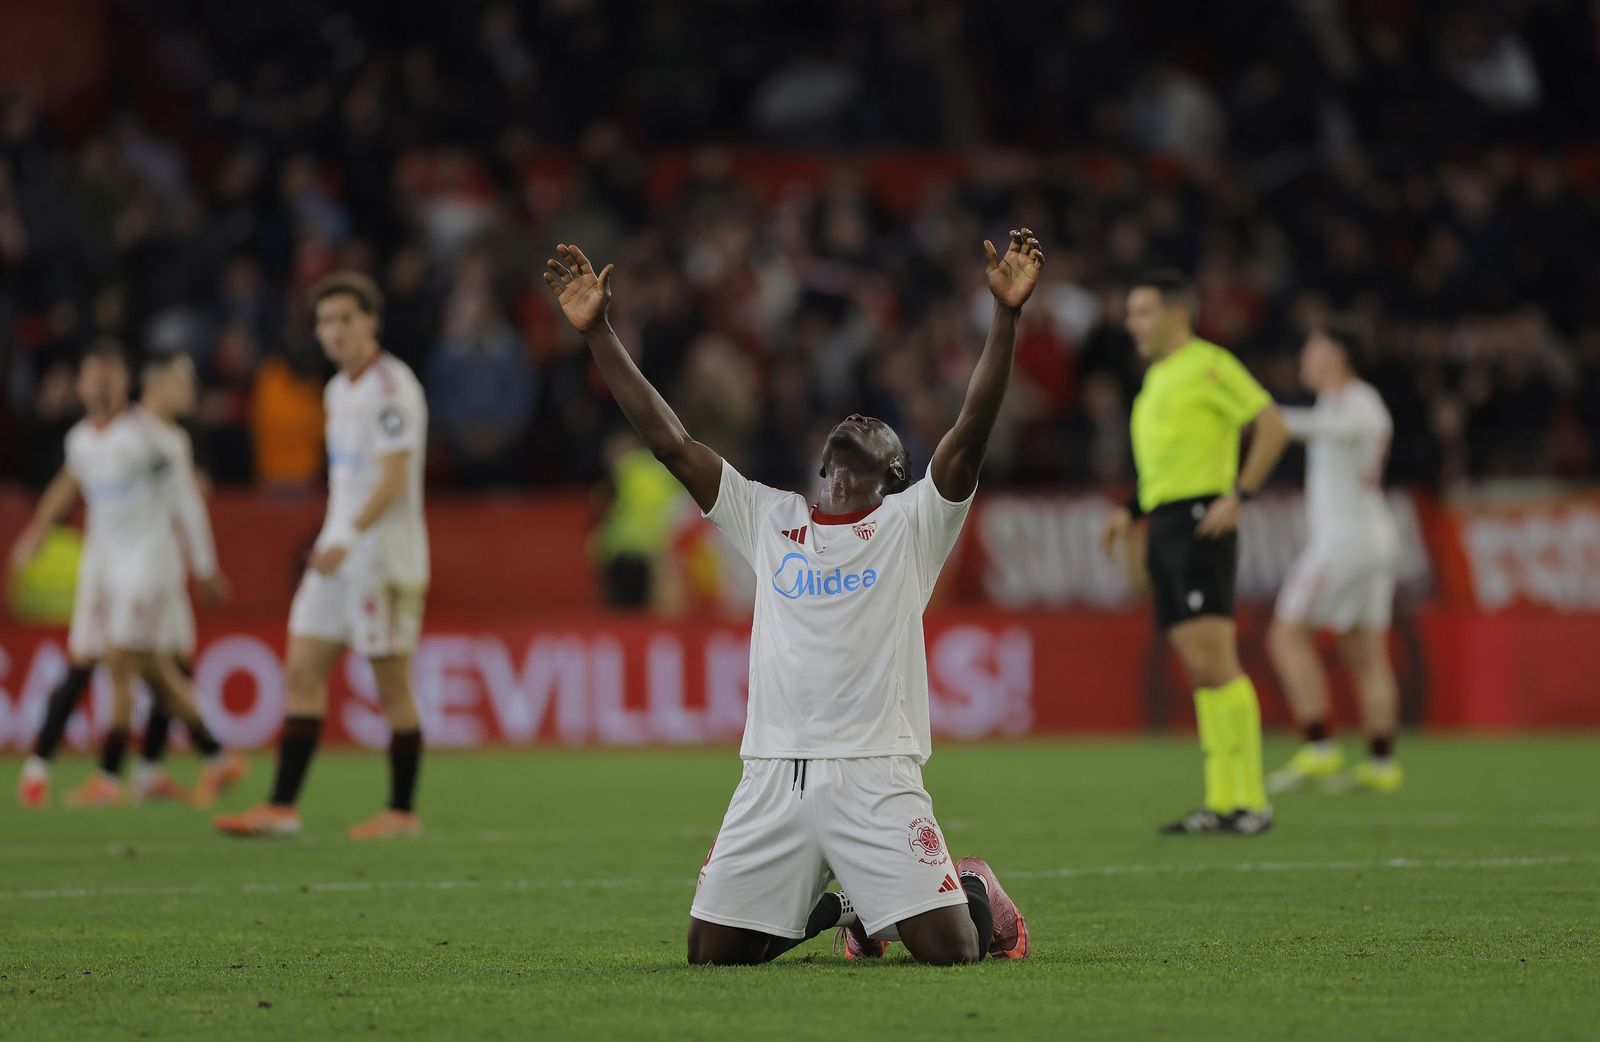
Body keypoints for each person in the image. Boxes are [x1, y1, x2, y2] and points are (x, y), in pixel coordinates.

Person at [545, 235, 1042, 966]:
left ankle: (968, 885)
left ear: (896, 472)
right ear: (822, 462)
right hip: (773, 771)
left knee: (953, 951)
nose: (858, 422)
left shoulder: (911, 525)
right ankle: (852, 905)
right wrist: (599, 335)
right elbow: (671, 443)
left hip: (876, 772)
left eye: (877, 430)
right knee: (712, 956)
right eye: (847, 426)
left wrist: (1004, 319)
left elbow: (970, 433)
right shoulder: (769, 518)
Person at [215, 272, 429, 840]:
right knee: (301, 670)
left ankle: (402, 812)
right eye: (325, 321)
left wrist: (346, 536)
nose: (333, 331)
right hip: (336, 556)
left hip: (381, 558)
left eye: (345, 319)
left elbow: (393, 479)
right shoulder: (337, 390)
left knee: (392, 688)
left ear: (370, 322)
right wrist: (331, 537)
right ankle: (282, 807)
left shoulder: (391, 387)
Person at [1100, 271, 1291, 835]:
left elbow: (1272, 425)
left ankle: (1251, 801)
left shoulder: (1210, 363)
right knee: (1200, 670)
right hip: (1166, 524)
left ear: (1177, 315)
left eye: (1142, 311)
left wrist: (1240, 496)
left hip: (1201, 521)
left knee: (1217, 663)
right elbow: (1166, 470)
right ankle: (1221, 799)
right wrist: (1129, 511)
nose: (1132, 323)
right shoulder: (1157, 378)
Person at [12, 343, 244, 808]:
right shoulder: (81, 438)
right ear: (79, 384)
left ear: (125, 382)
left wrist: (204, 566)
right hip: (104, 567)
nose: (99, 383)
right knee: (152, 671)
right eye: (91, 374)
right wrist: (37, 530)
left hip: (147, 565)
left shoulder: (152, 438)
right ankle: (218, 757)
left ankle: (109, 777)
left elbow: (187, 504)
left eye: (109, 374)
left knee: (121, 663)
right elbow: (70, 480)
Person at [1266, 322, 1404, 794]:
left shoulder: (1357, 403)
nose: (1306, 355)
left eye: (1315, 347)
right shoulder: (1340, 402)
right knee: (1366, 653)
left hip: (1346, 541)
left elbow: (1314, 427)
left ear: (1337, 357)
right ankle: (1382, 764)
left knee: (1286, 637)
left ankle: (1319, 747)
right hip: (1371, 537)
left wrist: (1255, 413)